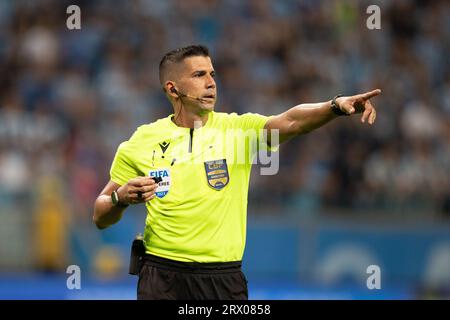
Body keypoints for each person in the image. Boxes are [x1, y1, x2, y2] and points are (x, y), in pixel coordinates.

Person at [93, 45, 381, 300]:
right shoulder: (142, 140)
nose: (211, 83)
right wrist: (120, 198)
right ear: (172, 88)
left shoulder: (237, 130)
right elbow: (100, 215)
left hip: (223, 280)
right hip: (161, 276)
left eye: (212, 75)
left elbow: (292, 122)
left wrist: (334, 106)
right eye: (199, 75)